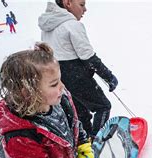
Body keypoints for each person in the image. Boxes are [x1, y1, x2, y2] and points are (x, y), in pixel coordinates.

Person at [38, 0, 118, 138]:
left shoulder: (47, 26)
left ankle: (85, 140)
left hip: (57, 78)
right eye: (81, 4)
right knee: (103, 106)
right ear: (68, 3)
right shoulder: (72, 25)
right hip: (76, 75)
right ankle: (97, 142)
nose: (85, 9)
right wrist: (108, 76)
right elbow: (88, 56)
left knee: (79, 112)